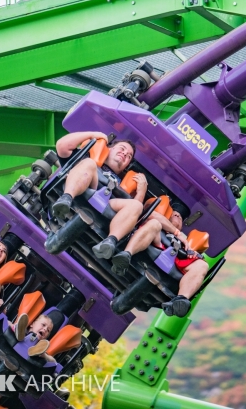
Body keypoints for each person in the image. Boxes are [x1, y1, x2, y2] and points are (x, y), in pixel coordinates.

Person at [50, 130, 147, 260]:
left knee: (136, 206)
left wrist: (141, 192)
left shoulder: (122, 185)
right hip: (86, 188)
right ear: (109, 149)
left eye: (129, 156)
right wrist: (94, 135)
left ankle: (110, 241)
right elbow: (62, 145)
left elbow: (135, 216)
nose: (125, 154)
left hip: (108, 205)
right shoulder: (87, 157)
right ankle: (66, 199)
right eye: (122, 148)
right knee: (90, 163)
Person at [111, 199, 209, 317]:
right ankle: (126, 255)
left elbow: (192, 262)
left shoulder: (184, 245)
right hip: (149, 244)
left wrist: (192, 253)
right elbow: (152, 215)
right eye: (174, 213)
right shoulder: (156, 220)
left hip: (172, 260)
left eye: (181, 217)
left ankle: (180, 300)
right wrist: (176, 232)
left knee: (202, 265)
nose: (177, 215)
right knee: (154, 224)